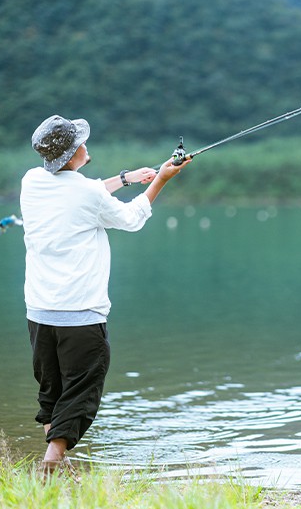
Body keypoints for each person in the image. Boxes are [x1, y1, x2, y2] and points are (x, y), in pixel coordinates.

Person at [20, 114, 189, 477]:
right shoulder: (88, 193)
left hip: (39, 312)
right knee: (81, 391)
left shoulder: (32, 181)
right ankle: (49, 467)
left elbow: (83, 193)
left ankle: (58, 468)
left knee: (53, 391)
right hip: (81, 315)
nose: (85, 144)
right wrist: (160, 179)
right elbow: (131, 219)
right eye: (81, 141)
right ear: (74, 152)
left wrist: (128, 178)